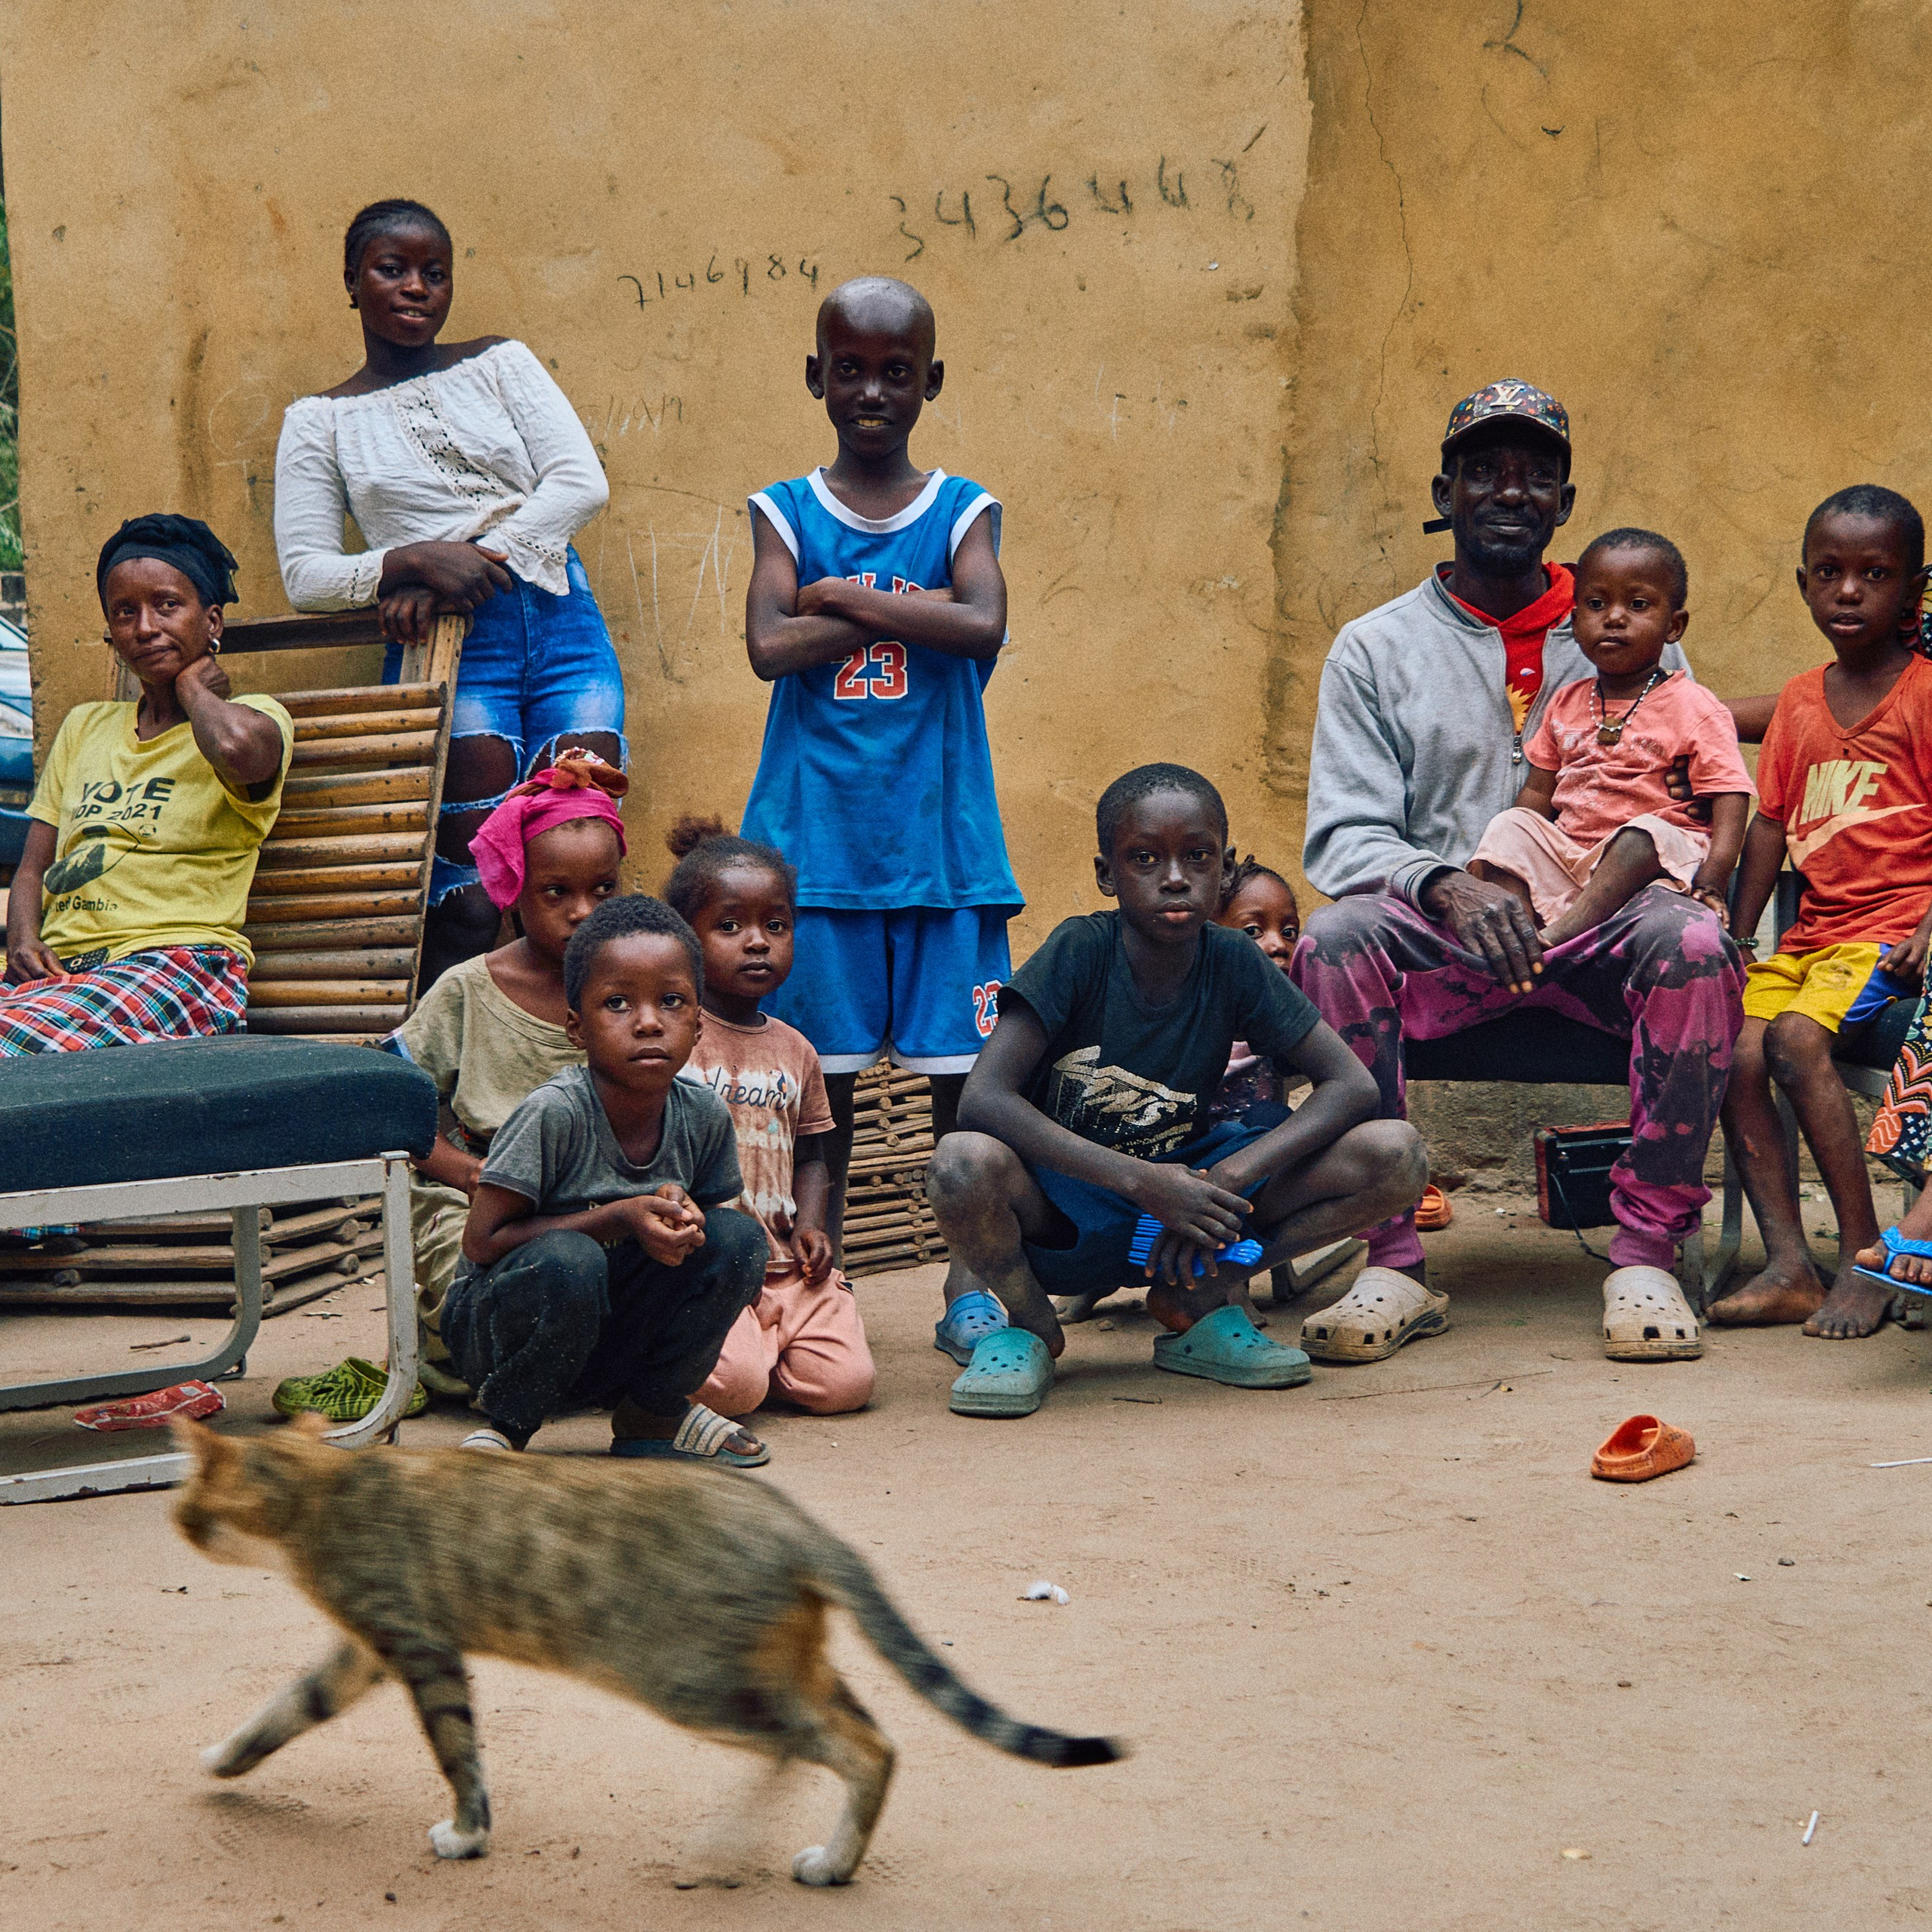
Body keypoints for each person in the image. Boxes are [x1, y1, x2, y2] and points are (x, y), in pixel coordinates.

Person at [1295, 380, 1743, 1364]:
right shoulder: (1375, 649)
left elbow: (1690, 795)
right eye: (1485, 472)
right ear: (1444, 492)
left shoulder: (1638, 631)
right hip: (1450, 942)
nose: (1510, 491)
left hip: (1603, 936)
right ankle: (1391, 1258)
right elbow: (1344, 837)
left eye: (1536, 476)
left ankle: (1645, 1251)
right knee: (1332, 936)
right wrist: (1448, 884)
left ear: (1564, 505)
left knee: (1699, 943)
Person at [923, 764, 1428, 1420]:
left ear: (1223, 871)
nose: (1174, 877)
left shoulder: (1233, 959)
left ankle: (1202, 1295)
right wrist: (1141, 1181)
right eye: (1144, 858)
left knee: (1397, 1154)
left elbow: (1350, 1086)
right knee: (961, 1161)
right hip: (1064, 1216)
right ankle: (1029, 1328)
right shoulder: (1079, 950)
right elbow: (984, 1099)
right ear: (1107, 874)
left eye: (1197, 856)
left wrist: (1225, 1175)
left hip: (1188, 1221)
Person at [739, 275, 1018, 1306]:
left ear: (929, 381)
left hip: (944, 855)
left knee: (966, 1094)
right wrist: (912, 609)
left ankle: (974, 1286)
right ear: (816, 376)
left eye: (895, 373)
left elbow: (982, 622)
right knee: (826, 1097)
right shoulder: (785, 511)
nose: (870, 391)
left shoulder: (961, 510)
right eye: (848, 369)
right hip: (820, 857)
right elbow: (772, 646)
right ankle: (820, 1281)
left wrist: (847, 596)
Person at [273, 198, 624, 987]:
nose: (416, 288)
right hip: (454, 649)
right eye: (392, 269)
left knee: (582, 873)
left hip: (565, 624)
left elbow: (579, 482)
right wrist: (411, 564)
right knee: (467, 896)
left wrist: (472, 557)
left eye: (435, 273)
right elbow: (306, 574)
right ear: (350, 281)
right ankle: (443, 1097)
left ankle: (592, 1089)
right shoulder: (318, 422)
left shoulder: (500, 362)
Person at [269, 751, 624, 1423]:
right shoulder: (469, 988)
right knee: (510, 1278)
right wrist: (468, 1173)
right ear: (512, 886)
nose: (583, 912)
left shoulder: (626, 987)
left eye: (603, 891)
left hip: (589, 1197)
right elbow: (385, 1102)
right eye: (557, 893)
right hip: (476, 1203)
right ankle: (484, 1354)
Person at [1709, 485, 1932, 1339]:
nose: (1848, 592)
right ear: (1803, 583)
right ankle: (1789, 1263)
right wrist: (1736, 931)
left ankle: (1863, 1253)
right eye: (1829, 574)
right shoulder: (1801, 702)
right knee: (1731, 1049)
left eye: (1874, 575)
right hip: (1811, 941)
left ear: (1912, 593)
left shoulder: (1920, 694)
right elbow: (1768, 824)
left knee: (1799, 1039)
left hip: (1887, 939)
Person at [442, 896, 771, 1463]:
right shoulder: (555, 1114)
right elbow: (482, 1243)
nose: (648, 1022)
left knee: (739, 1242)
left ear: (698, 1024)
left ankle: (651, 1411)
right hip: (505, 1327)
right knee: (573, 1258)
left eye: (671, 1002)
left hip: (613, 1327)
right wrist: (619, 1216)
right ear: (576, 1027)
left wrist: (680, 1215)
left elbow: (710, 1228)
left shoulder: (701, 1115)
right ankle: (509, 1423)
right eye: (617, 1003)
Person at [3, 515, 291, 1052]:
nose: (145, 628)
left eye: (166, 605)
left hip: (181, 970)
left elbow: (235, 751)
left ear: (212, 621)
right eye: (125, 612)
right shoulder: (85, 727)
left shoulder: (254, 718)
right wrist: (22, 941)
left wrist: (190, 685)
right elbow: (33, 868)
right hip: (61, 980)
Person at [661, 816, 877, 1419]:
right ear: (685, 936)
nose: (757, 941)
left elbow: (812, 1156)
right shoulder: (673, 1037)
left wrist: (813, 1226)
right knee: (735, 1390)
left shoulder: (796, 1049)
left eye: (775, 926)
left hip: (784, 1267)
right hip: (705, 1265)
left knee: (847, 1386)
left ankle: (768, 1347)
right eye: (729, 926)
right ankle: (733, 1358)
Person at [1466, 529, 1753, 949]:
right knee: (1509, 825)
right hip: (1575, 856)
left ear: (1675, 626)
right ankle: (1523, 940)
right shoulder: (1565, 703)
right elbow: (1537, 792)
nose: (1614, 618)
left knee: (1639, 838)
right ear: (1575, 621)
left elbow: (1731, 799)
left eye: (1637, 605)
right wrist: (1518, 845)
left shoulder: (1695, 706)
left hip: (1657, 858)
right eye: (1596, 605)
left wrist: (1714, 879)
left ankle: (1559, 939)